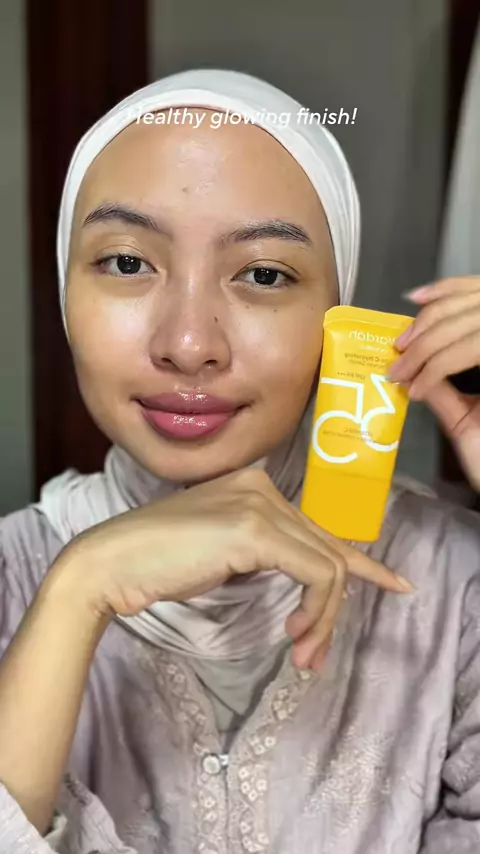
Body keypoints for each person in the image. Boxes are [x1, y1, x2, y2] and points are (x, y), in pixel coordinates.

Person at [0, 68, 479, 854]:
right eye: (127, 263)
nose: (189, 344)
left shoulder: (457, 587)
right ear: (62, 291)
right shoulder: (11, 579)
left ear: (338, 312)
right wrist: (78, 589)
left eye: (263, 274)